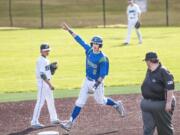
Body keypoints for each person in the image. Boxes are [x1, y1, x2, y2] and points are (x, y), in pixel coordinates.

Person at [60, 23, 126, 131]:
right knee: (79, 102)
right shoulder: (89, 50)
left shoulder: (103, 58)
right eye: (94, 43)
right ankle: (70, 123)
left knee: (101, 101)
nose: (95, 45)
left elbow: (102, 75)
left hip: (97, 83)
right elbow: (79, 40)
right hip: (87, 80)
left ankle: (116, 104)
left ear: (100, 46)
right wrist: (69, 30)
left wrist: (95, 86)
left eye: (97, 44)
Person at [141, 52, 176, 135]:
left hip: (161, 104)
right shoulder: (149, 70)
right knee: (147, 129)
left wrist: (168, 103)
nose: (146, 63)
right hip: (147, 104)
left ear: (149, 61)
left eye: (146, 61)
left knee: (164, 130)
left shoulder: (163, 71)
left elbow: (170, 87)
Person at [31, 43, 60, 129]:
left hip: (47, 82)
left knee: (51, 101)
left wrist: (52, 69)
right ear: (41, 51)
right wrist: (50, 85)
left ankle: (54, 118)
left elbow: (48, 73)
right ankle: (34, 122)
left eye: (48, 50)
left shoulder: (46, 59)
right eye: (45, 51)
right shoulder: (40, 60)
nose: (47, 52)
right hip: (43, 83)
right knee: (40, 102)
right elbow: (42, 75)